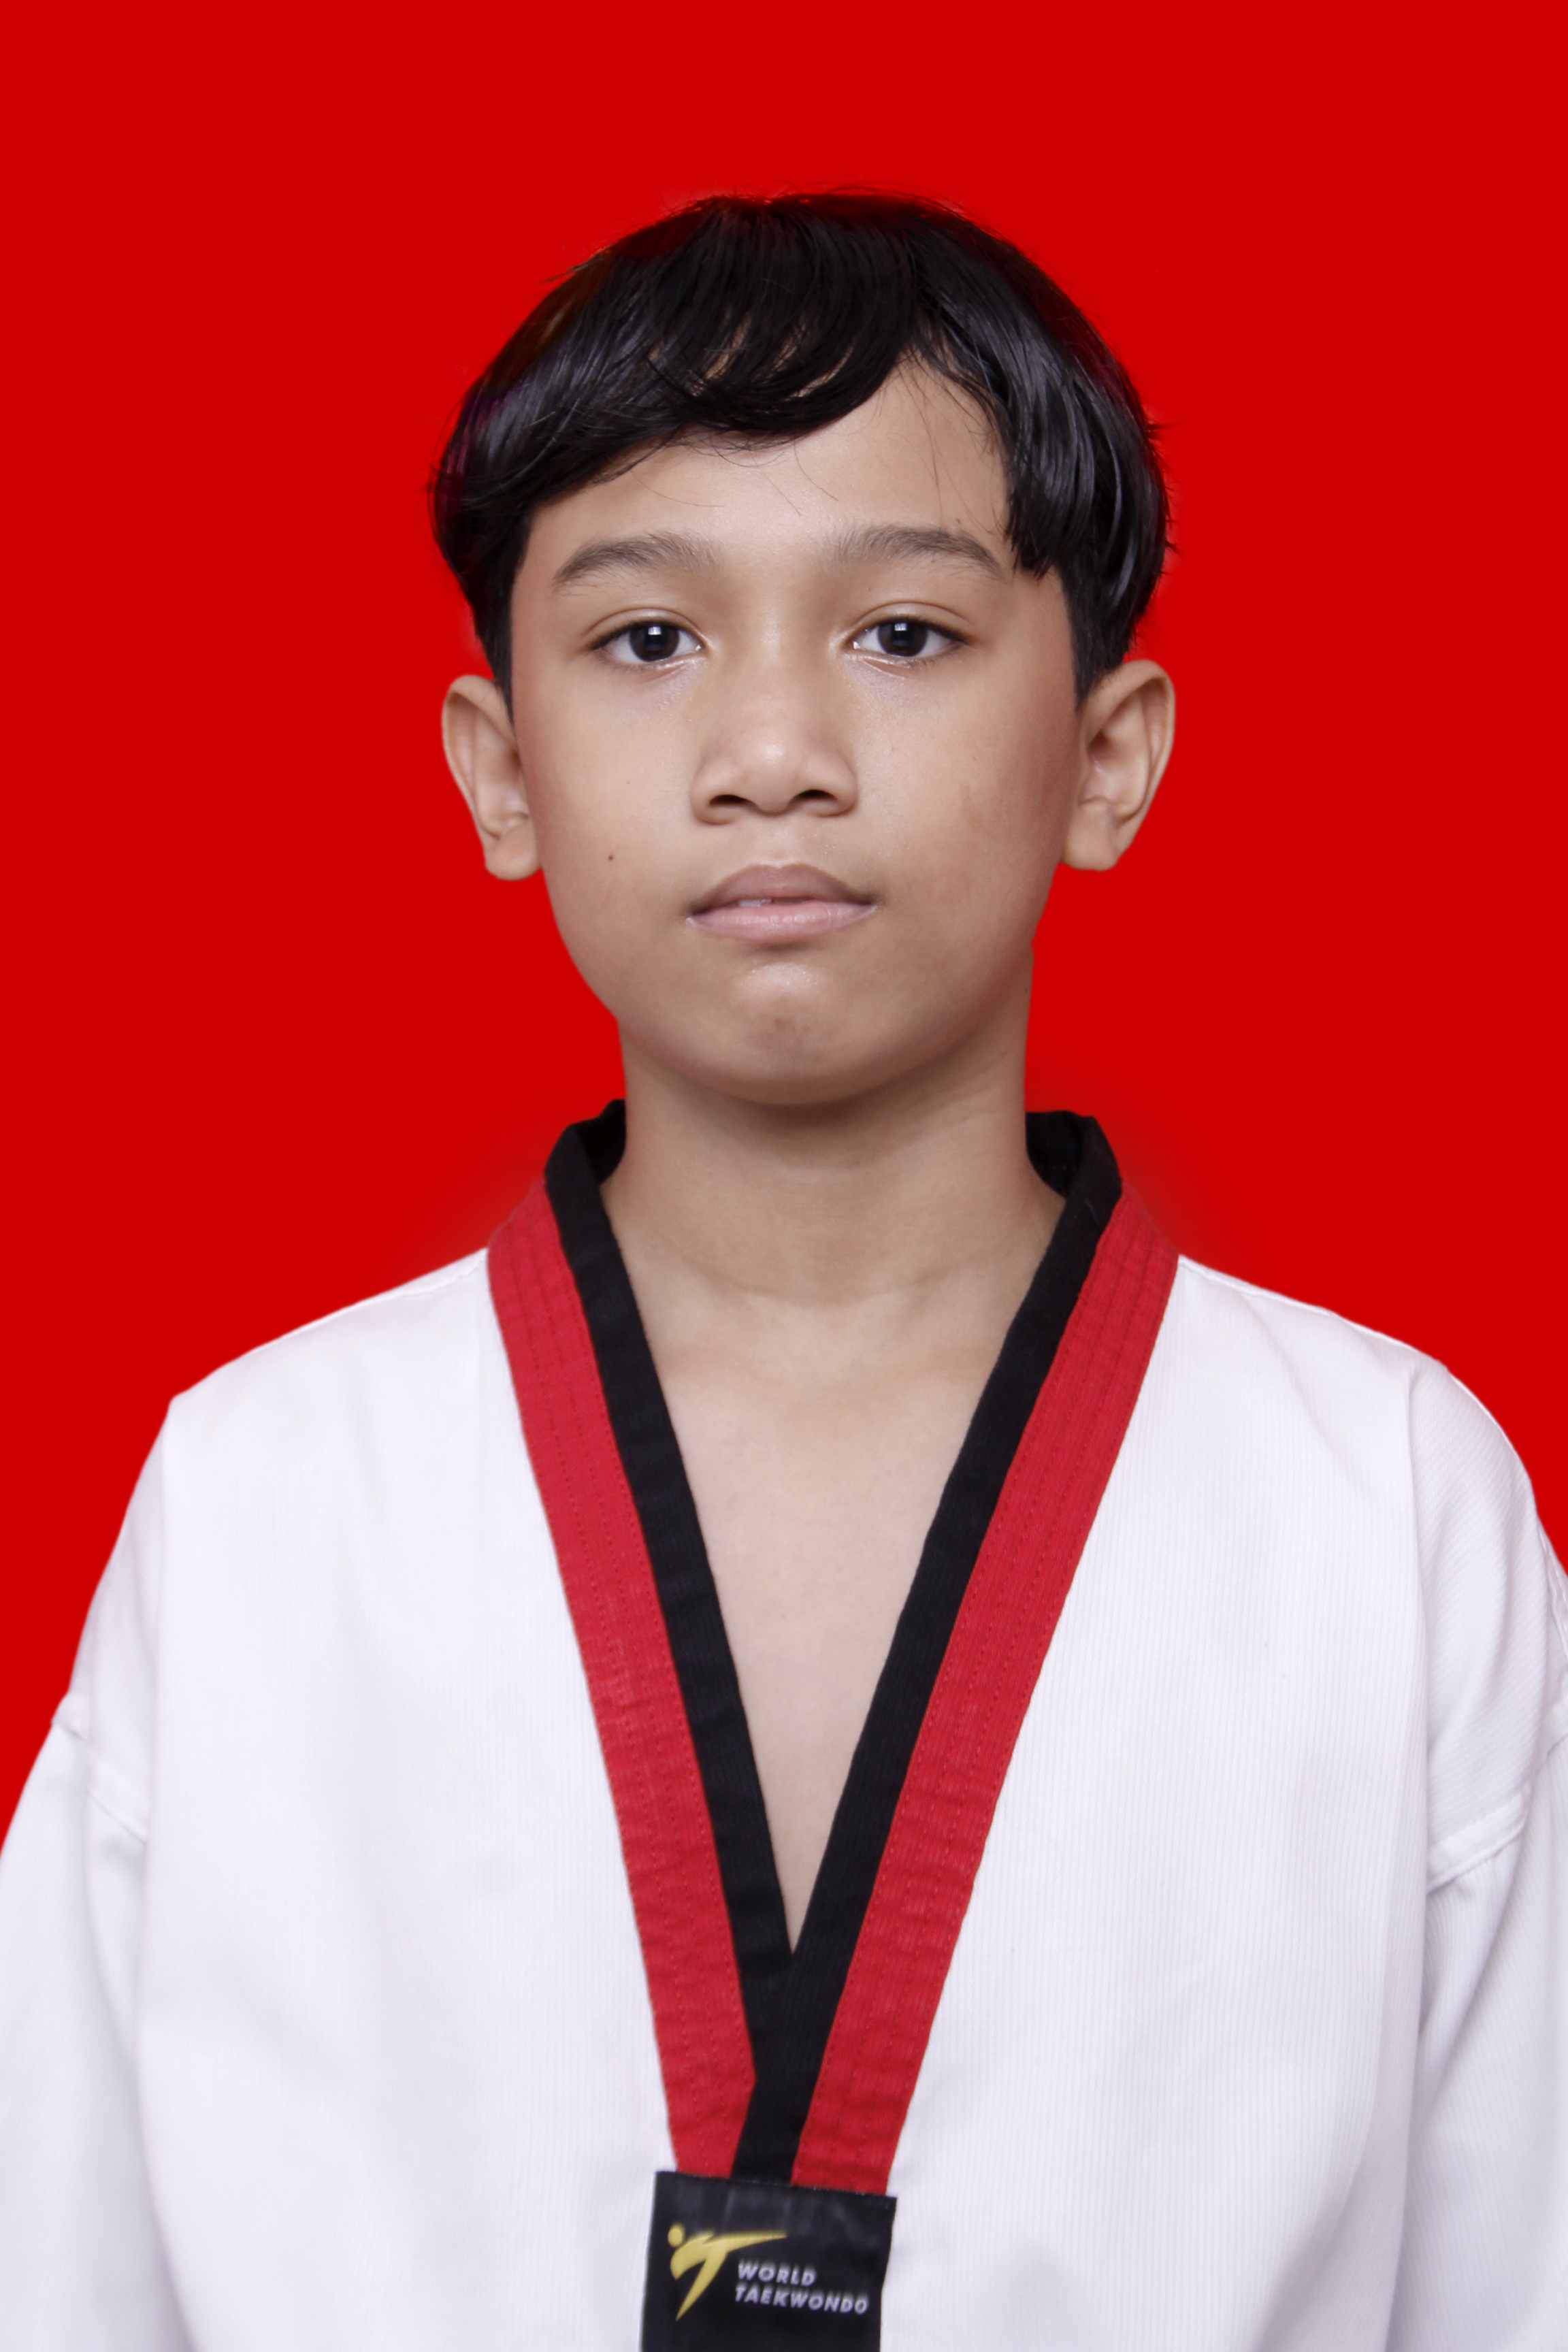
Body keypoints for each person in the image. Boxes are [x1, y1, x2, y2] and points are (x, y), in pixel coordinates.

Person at [0, 193, 1562, 2352]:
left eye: (902, 634)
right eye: (649, 640)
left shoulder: (1386, 1506)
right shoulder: (264, 1499)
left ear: (1108, 756)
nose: (770, 755)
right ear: (500, 772)